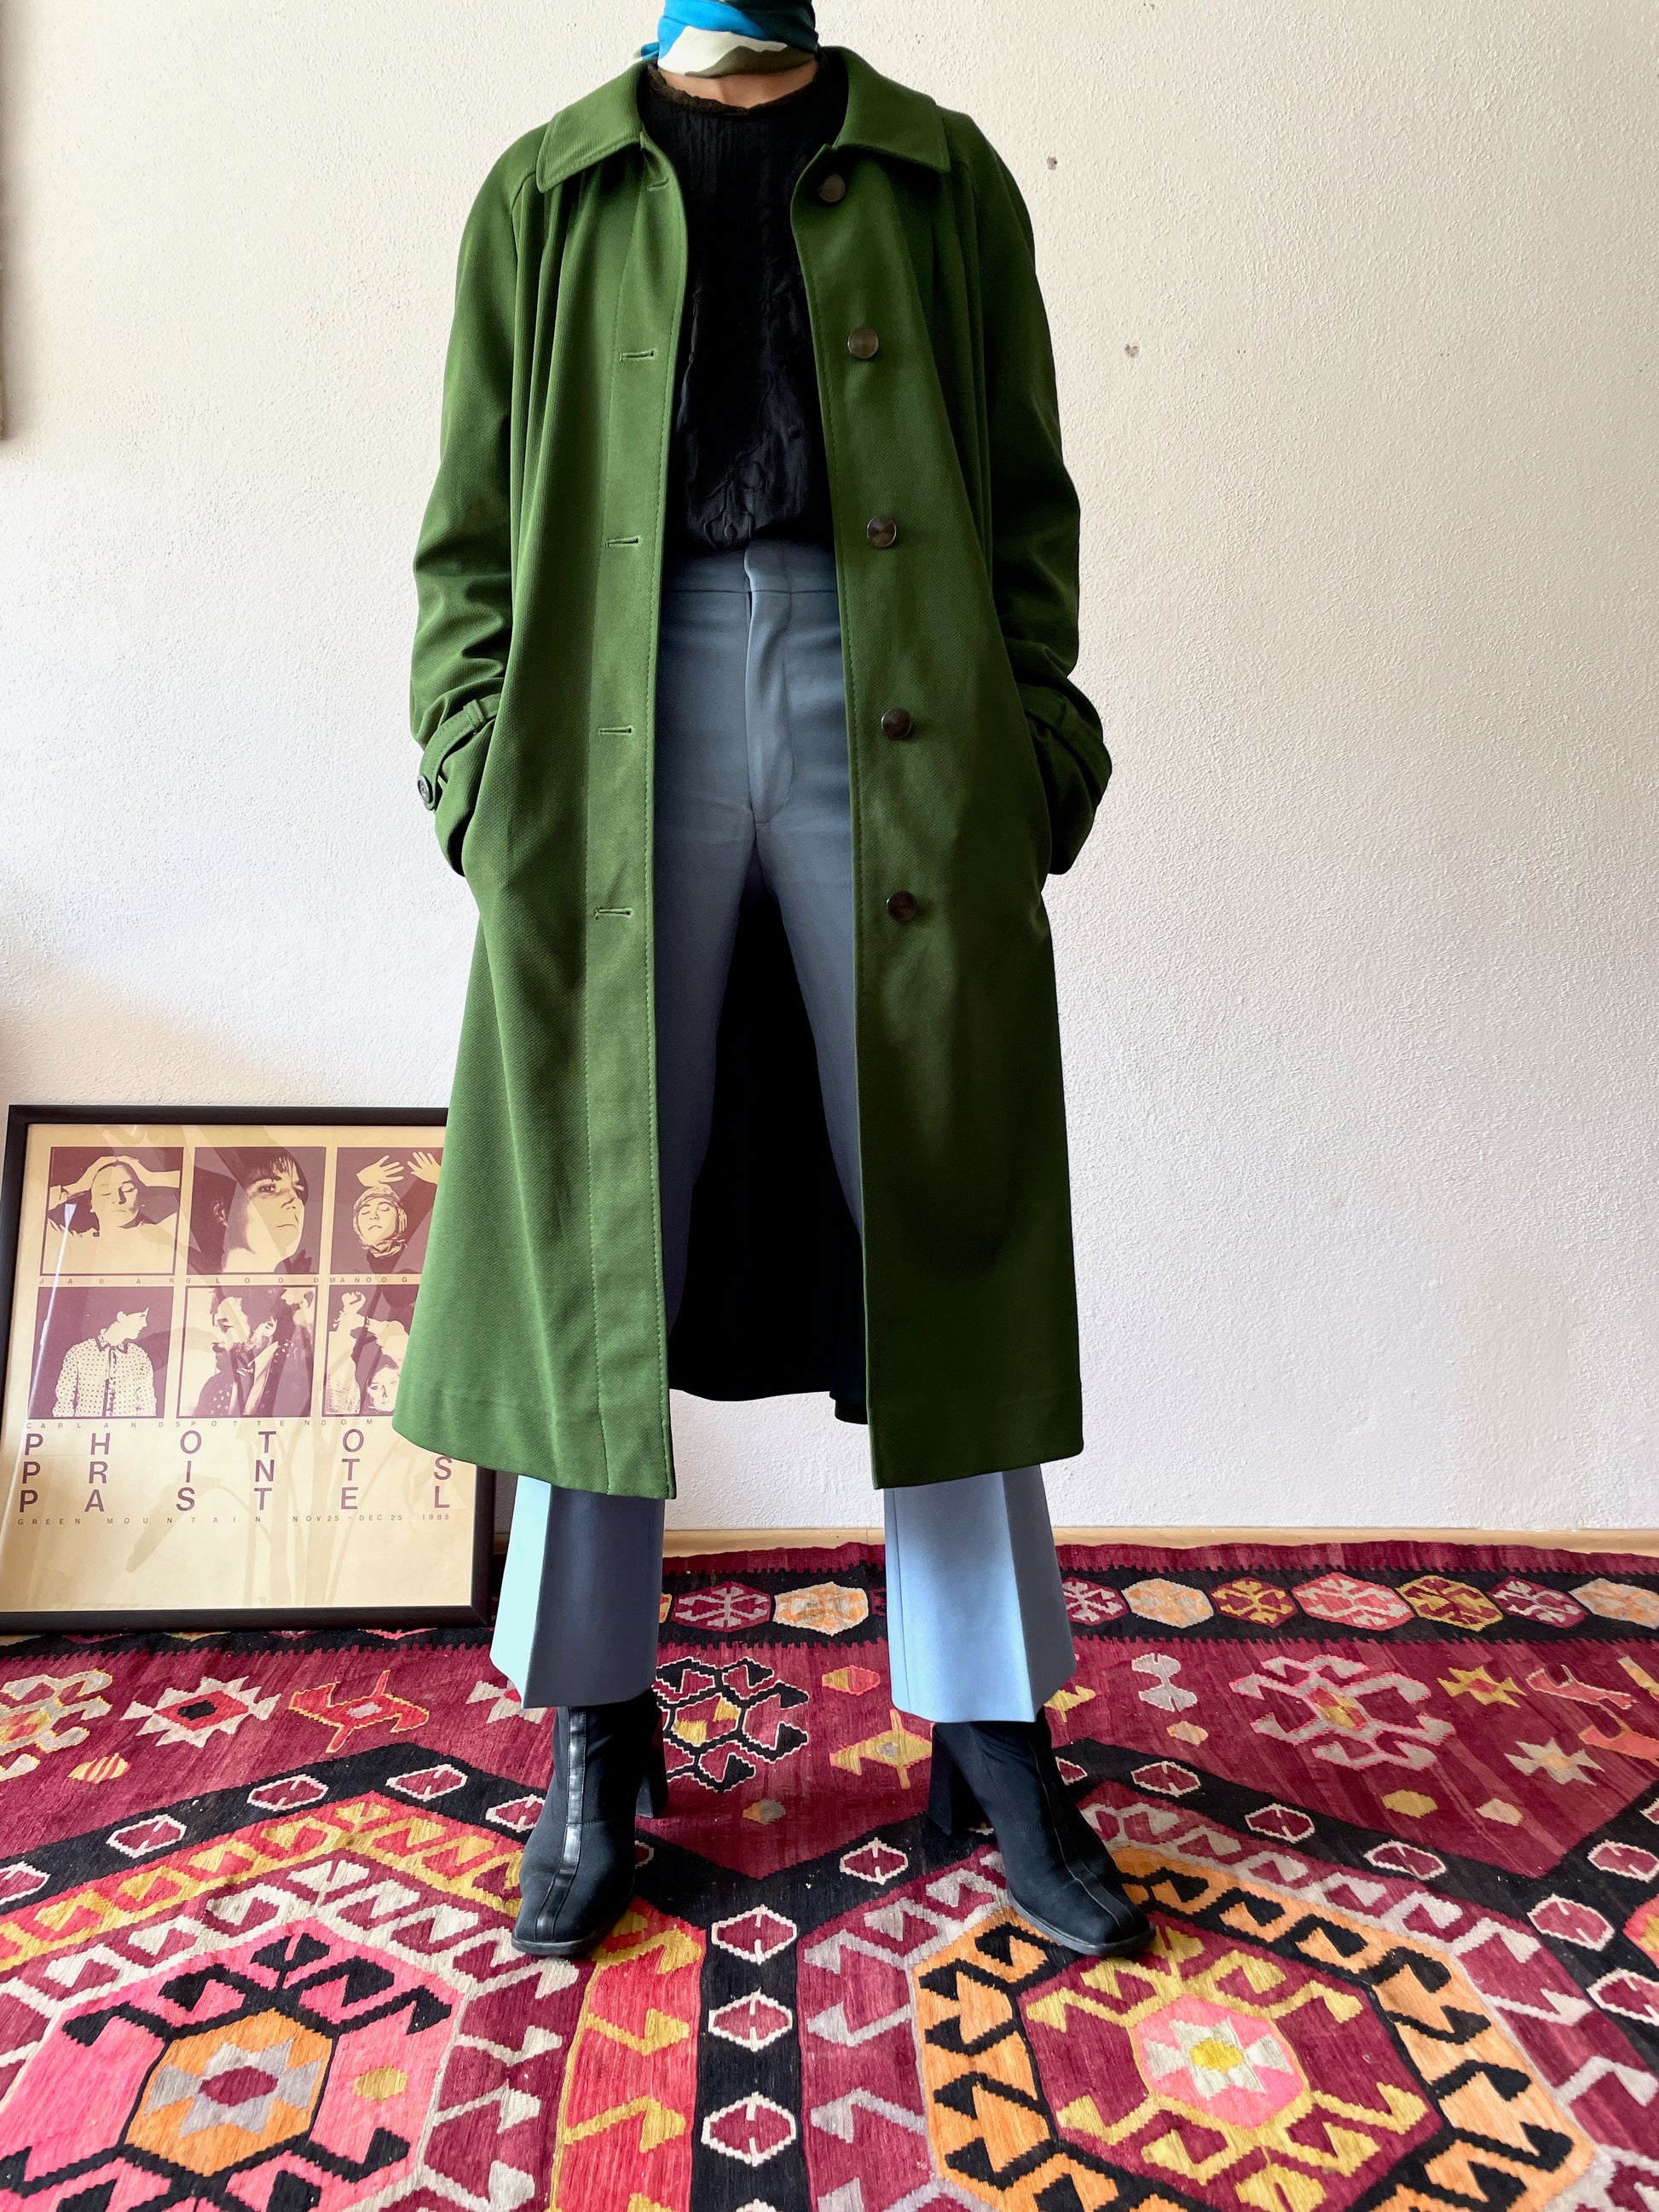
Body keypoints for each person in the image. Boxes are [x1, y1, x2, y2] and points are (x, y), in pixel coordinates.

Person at [400, 2, 1149, 1965]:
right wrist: (476, 773)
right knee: (598, 1213)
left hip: (885, 681)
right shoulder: (546, 193)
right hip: (607, 706)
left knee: (940, 1186)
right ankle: (594, 1727)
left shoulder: (939, 173)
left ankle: (990, 1722)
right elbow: (468, 537)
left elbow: (1025, 499)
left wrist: (1036, 754)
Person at [43, 1154, 179, 1275]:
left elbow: (193, 1184)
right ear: (92, 1204)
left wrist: (152, 1178)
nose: (118, 1199)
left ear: (142, 1199)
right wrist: (74, 1189)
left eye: (127, 1189)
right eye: (106, 1192)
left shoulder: (170, 1232)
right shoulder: (75, 1246)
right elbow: (31, 1207)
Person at [52, 1303, 158, 1418]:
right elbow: (63, 1402)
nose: (145, 1324)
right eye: (141, 1316)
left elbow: (147, 1406)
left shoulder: (140, 1357)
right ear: (121, 1316)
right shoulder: (79, 1352)